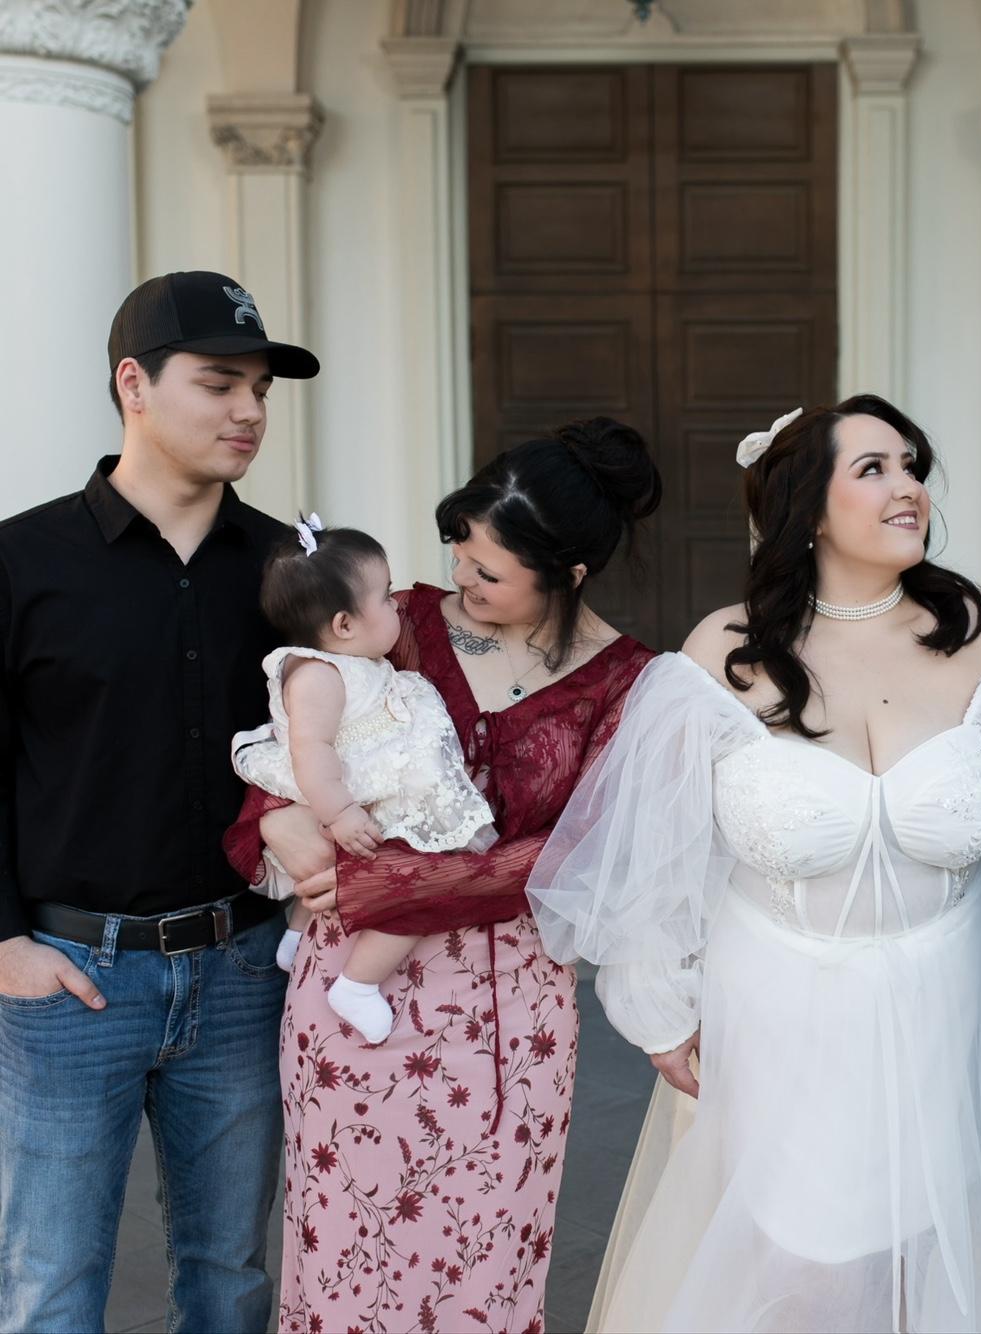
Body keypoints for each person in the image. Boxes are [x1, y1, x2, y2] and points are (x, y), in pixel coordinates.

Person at [528, 395, 981, 1333]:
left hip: (952, 1007)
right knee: (798, 1277)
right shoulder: (725, 652)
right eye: (874, 469)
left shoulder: (977, 627)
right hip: (779, 1011)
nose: (909, 488)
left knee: (935, 1271)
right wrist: (662, 1009)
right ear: (808, 507)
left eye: (913, 466)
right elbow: (660, 845)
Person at [223, 418, 659, 1333]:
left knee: (485, 1261)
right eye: (458, 550)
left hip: (509, 1017)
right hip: (353, 993)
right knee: (348, 1252)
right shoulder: (399, 621)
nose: (460, 576)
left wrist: (387, 887)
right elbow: (303, 735)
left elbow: (579, 852)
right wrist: (276, 817)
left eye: (487, 570)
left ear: (570, 574)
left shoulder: (626, 681)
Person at [0, 271, 318, 1332]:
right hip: (67, 979)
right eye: (219, 383)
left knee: (230, 1280)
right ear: (133, 384)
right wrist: (5, 944)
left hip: (241, 972)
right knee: (51, 1286)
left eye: (260, 389)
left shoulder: (289, 566)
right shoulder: (20, 561)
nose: (249, 411)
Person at [231, 519, 496, 1044]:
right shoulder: (317, 675)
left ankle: (296, 934)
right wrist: (341, 813)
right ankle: (357, 983)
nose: (397, 605)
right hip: (348, 790)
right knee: (423, 877)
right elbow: (312, 751)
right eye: (386, 597)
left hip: (363, 782)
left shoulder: (353, 662)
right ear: (345, 624)